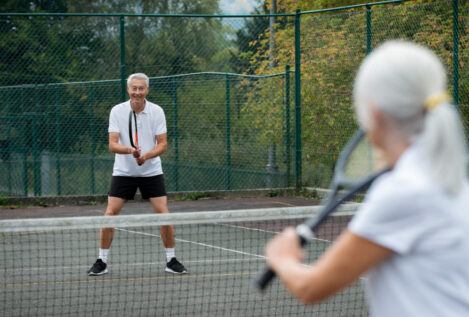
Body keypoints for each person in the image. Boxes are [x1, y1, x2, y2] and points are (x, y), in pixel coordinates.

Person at [264, 41, 469, 316]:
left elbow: (311, 287)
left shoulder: (402, 191)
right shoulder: (448, 181)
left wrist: (282, 257)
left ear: (374, 114)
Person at [88, 73, 187, 276]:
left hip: (151, 170)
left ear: (147, 90)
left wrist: (146, 156)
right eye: (134, 88)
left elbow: (163, 145)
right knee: (110, 213)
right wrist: (130, 152)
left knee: (164, 213)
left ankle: (171, 259)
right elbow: (112, 144)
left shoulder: (157, 111)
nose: (137, 92)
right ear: (128, 89)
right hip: (124, 171)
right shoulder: (117, 111)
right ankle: (101, 261)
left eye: (141, 88)